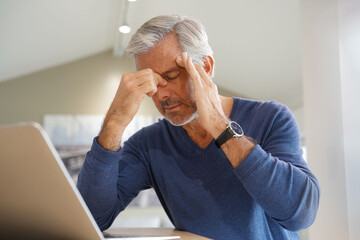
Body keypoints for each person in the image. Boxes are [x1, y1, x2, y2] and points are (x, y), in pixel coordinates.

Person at [77, 15, 320, 240]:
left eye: (171, 76)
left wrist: (219, 126)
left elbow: (299, 215)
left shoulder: (271, 117)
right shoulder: (148, 145)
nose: (160, 95)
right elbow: (92, 218)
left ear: (206, 67)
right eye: (151, 82)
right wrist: (114, 123)